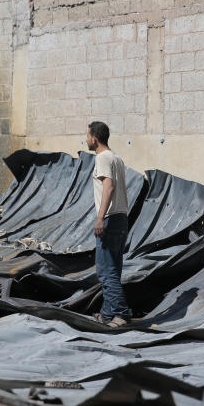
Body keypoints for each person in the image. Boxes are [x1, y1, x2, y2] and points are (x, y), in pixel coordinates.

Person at [86, 121, 130, 327]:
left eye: (87, 136)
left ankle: (121, 314)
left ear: (94, 139)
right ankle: (106, 314)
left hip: (110, 218)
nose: (86, 140)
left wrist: (100, 218)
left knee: (105, 270)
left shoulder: (102, 158)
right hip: (121, 217)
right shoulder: (117, 158)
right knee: (114, 268)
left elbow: (109, 187)